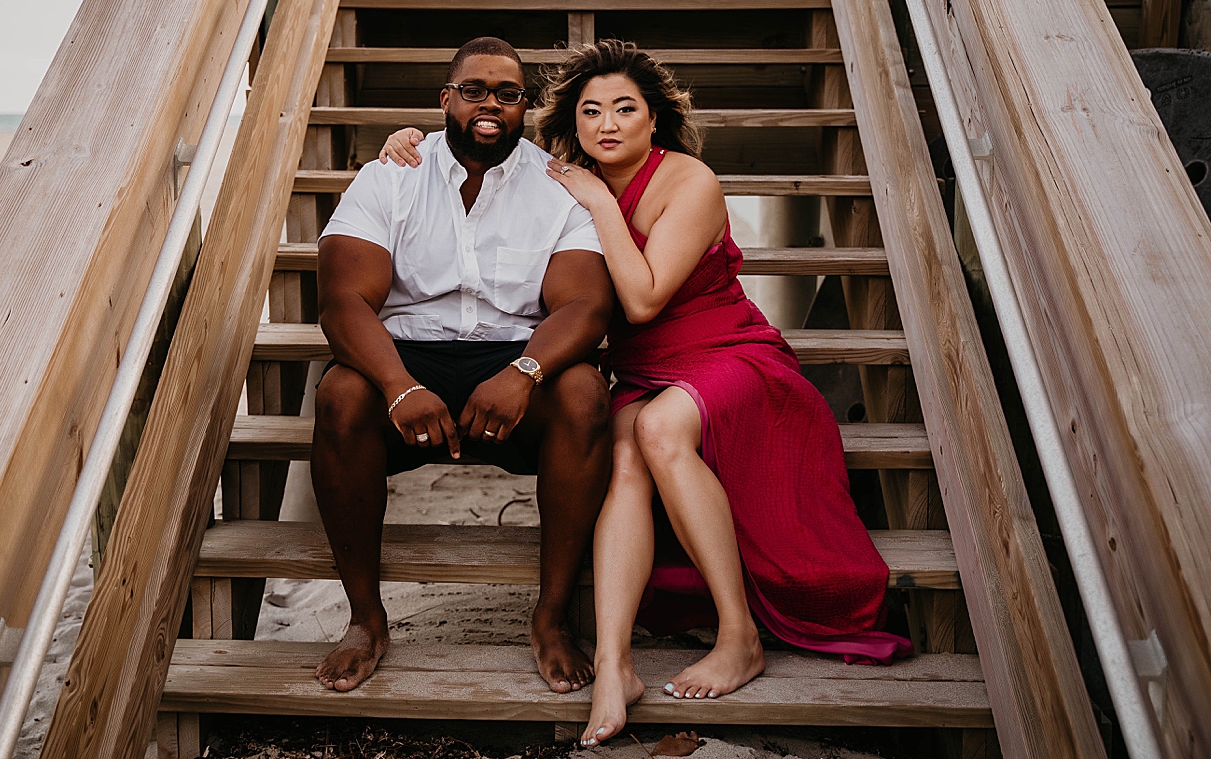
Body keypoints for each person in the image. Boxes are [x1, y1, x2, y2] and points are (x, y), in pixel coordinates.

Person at [379, 40, 913, 746]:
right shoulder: (562, 175)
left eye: (624, 108)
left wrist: (597, 198)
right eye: (591, 110)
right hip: (644, 370)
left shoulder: (687, 181)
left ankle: (738, 636)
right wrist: (409, 138)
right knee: (624, 453)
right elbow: (483, 140)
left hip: (725, 353)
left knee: (657, 430)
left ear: (652, 120)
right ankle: (617, 666)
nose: (607, 123)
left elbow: (642, 297)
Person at [311, 36, 615, 696]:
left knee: (587, 393)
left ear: (524, 108)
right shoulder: (389, 175)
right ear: (446, 99)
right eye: (474, 89)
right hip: (408, 354)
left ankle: (551, 618)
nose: (491, 104)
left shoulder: (556, 186)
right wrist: (396, 384)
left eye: (508, 94)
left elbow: (587, 304)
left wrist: (526, 370)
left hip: (513, 358)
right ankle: (366, 620)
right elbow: (341, 300)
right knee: (339, 393)